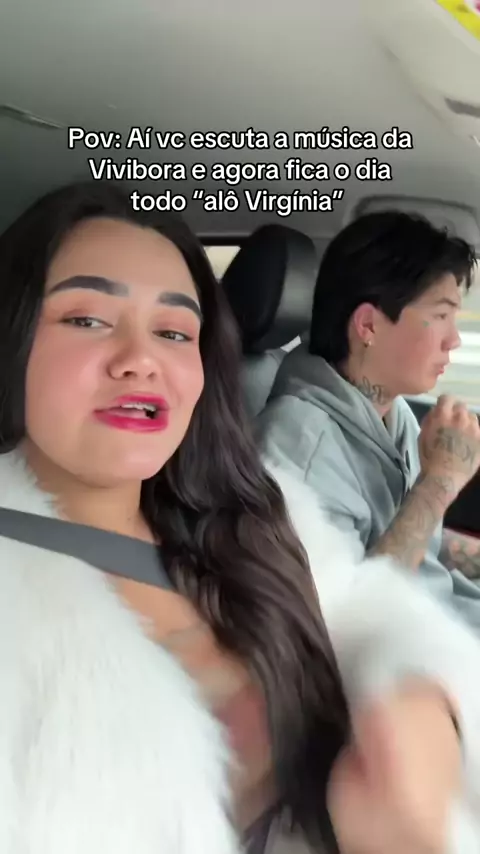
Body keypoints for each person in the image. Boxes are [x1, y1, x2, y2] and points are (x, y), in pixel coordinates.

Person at [1, 184, 480, 854]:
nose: (141, 359)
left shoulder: (263, 509)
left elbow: (372, 615)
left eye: (174, 332)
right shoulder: (302, 441)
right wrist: (437, 487)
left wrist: (420, 715)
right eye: (86, 319)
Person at [256, 211, 480, 630]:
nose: (454, 340)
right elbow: (344, 620)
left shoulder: (393, 414)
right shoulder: (299, 450)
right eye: (441, 316)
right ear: (368, 325)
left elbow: (420, 553)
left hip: (437, 618)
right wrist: (440, 482)